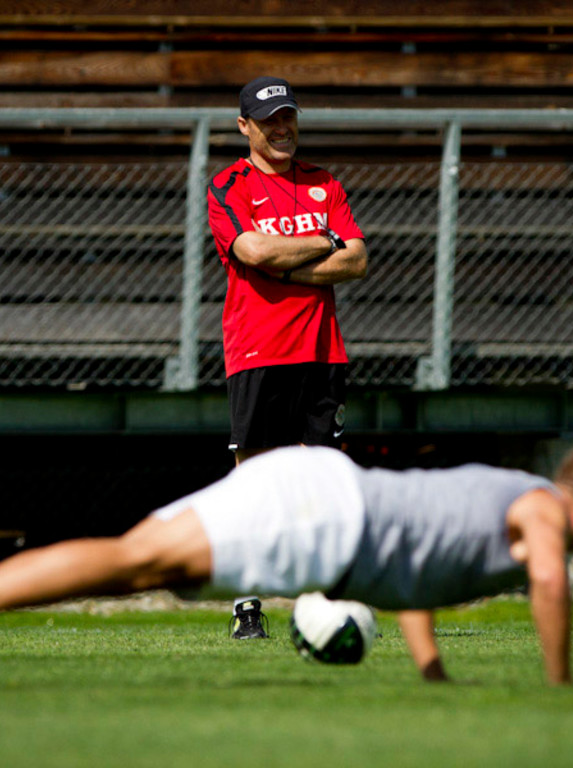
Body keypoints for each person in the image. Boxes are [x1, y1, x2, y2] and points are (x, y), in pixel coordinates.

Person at [0, 439, 573, 689]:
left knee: (136, 565)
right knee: (133, 562)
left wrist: (433, 672)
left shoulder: (512, 504)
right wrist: (562, 685)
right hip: (318, 514)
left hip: (316, 503)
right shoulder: (542, 507)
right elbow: (549, 578)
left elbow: (418, 577)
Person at [207, 76, 368, 637]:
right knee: (254, 482)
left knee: (324, 480)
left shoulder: (325, 183)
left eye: (288, 117)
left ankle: (319, 601)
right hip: (257, 349)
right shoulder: (228, 184)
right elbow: (250, 249)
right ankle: (247, 603)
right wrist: (325, 242)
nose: (282, 128)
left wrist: (285, 265)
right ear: (245, 127)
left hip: (323, 350)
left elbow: (358, 261)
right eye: (269, 120)